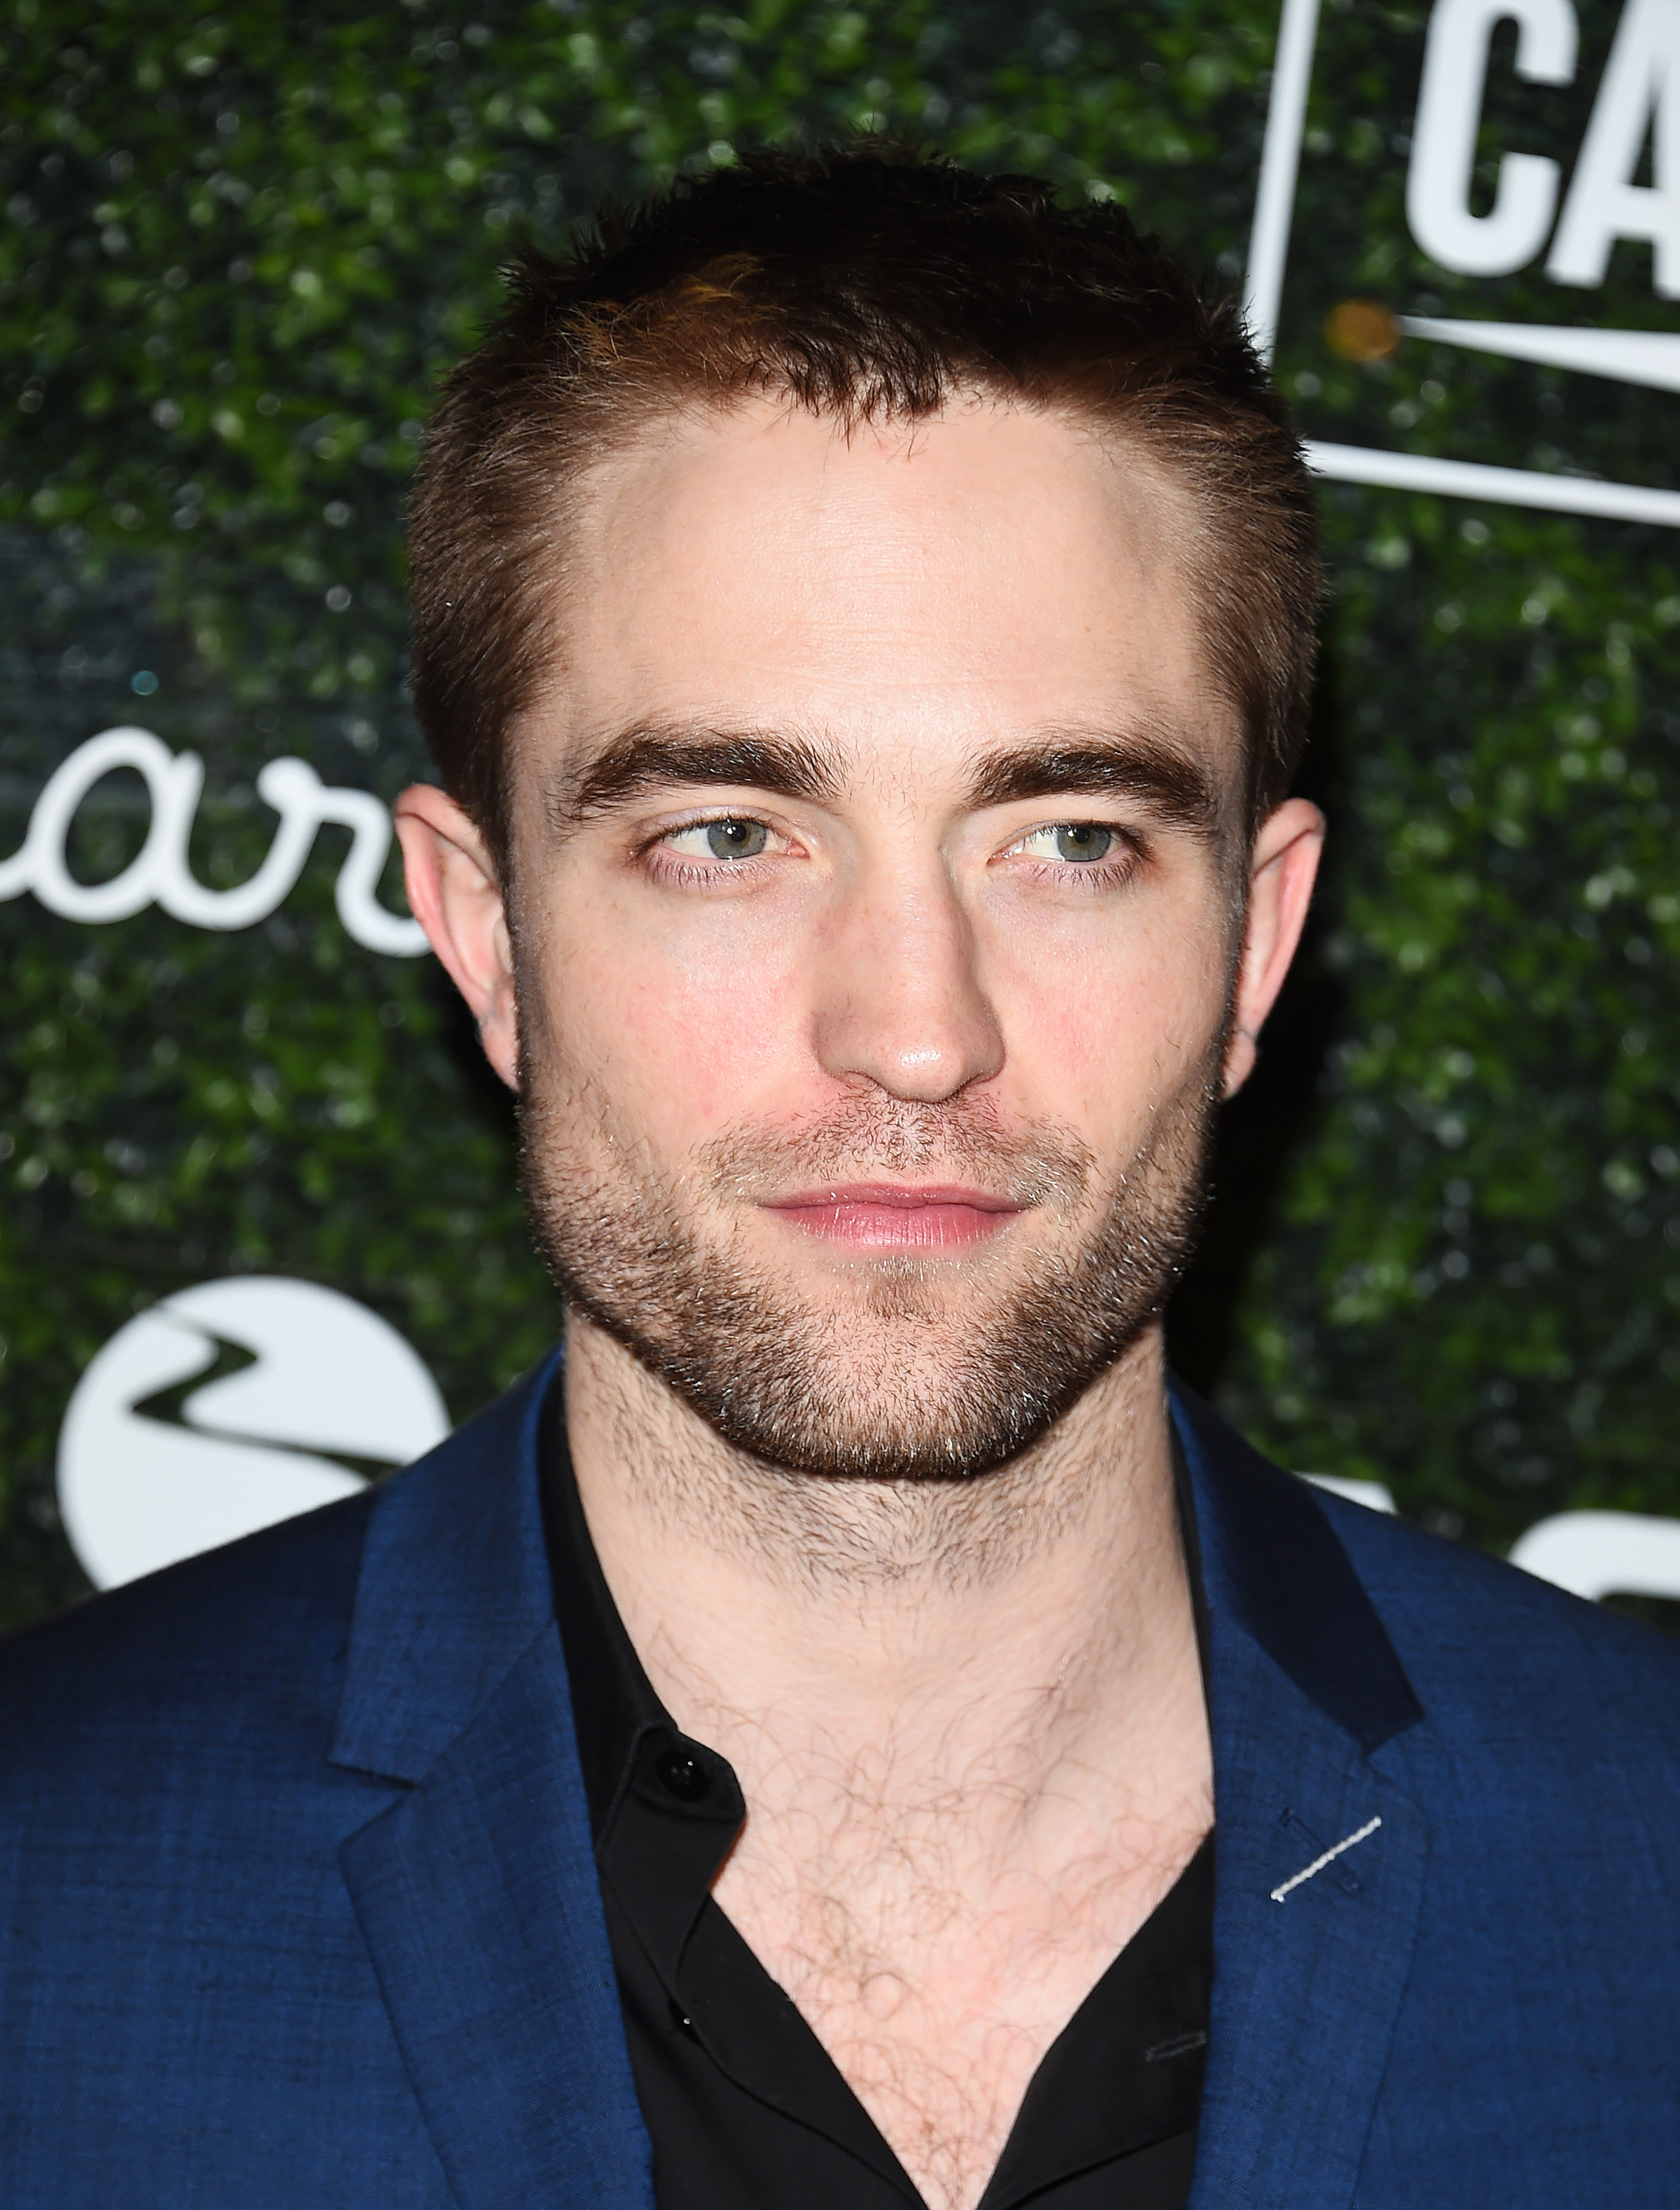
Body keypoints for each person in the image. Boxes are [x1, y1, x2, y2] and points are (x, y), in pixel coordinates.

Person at [1, 144, 1677, 2210]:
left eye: (1070, 839)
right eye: (728, 835)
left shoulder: (1649, 1869)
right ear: (485, 933)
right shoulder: (40, 1901)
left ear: (1255, 945)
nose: (915, 1029)